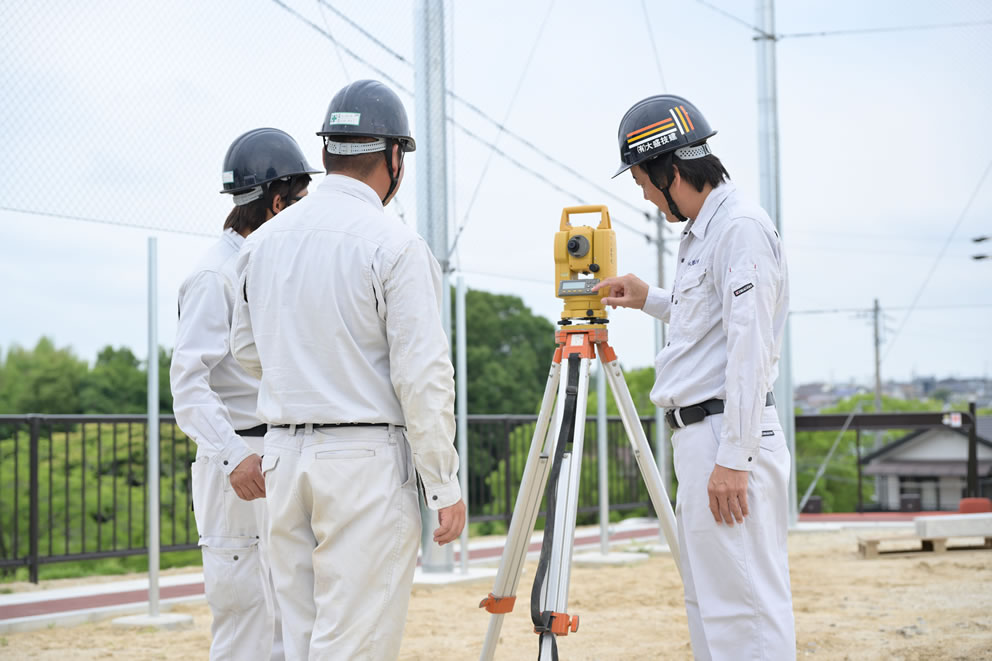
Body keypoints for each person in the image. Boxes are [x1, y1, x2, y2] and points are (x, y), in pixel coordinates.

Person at [229, 79, 466, 660]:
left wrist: (306, 372)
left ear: (328, 152)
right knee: (354, 643)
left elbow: (245, 352)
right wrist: (444, 482)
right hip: (363, 461)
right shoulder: (395, 244)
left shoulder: (261, 244)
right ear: (392, 158)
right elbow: (423, 378)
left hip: (284, 457)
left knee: (305, 640)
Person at [594, 94, 796, 660]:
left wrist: (735, 457)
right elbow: (707, 324)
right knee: (711, 603)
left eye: (643, 185)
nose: (647, 198)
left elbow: (749, 346)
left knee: (746, 607)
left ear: (671, 172)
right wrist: (649, 298)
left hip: (727, 434)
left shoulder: (740, 229)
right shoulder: (705, 232)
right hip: (702, 435)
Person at [171, 127, 320, 660]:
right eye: (300, 201)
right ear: (277, 203)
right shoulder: (216, 275)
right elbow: (187, 384)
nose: (306, 212)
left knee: (285, 617)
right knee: (244, 624)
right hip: (235, 463)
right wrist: (235, 457)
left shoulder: (261, 266)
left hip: (272, 457)